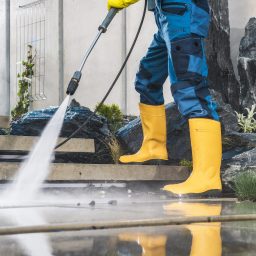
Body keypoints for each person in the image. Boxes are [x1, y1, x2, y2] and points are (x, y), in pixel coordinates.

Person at [107, 0, 222, 197]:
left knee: (190, 90)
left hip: (183, 16)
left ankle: (207, 177)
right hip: (166, 18)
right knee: (147, 79)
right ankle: (153, 147)